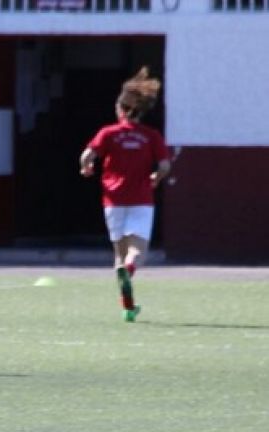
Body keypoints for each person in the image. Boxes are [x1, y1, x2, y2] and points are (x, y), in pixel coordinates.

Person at [79, 67, 171, 322]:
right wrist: (156, 177)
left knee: (119, 255)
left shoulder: (108, 133)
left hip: (113, 200)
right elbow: (164, 165)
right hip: (141, 200)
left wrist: (86, 168)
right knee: (137, 253)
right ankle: (129, 271)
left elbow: (87, 155)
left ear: (120, 109)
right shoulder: (151, 136)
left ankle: (128, 306)